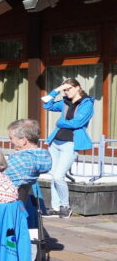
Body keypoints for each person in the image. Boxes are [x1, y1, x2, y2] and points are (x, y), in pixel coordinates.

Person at [42, 78, 94, 218]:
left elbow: (77, 123)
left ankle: (65, 206)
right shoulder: (65, 102)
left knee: (59, 176)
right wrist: (56, 91)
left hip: (71, 143)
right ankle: (55, 207)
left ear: (78, 88)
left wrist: (60, 122)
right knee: (54, 176)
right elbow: (47, 106)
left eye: (69, 88)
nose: (67, 91)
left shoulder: (86, 103)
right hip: (56, 142)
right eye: (65, 89)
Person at [6, 118, 52, 199]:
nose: (9, 141)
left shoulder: (20, 161)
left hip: (7, 201)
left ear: (23, 140)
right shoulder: (40, 158)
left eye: (11, 138)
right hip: (22, 202)